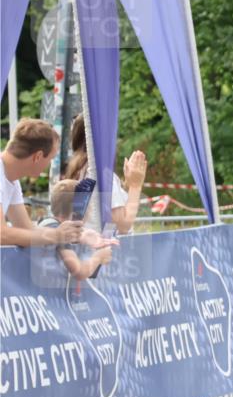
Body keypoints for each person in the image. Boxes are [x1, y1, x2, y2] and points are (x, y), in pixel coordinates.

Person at [1, 118, 82, 247]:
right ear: (37, 156)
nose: (49, 165)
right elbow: (2, 234)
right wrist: (56, 235)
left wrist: (79, 235)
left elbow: (26, 230)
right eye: (51, 158)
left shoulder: (11, 178)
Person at [64, 114, 148, 234]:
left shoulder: (80, 170)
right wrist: (136, 185)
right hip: (105, 250)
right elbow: (122, 226)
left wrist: (127, 185)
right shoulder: (102, 175)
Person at [39, 179, 117, 279]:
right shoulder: (56, 229)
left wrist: (83, 238)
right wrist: (99, 257)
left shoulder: (51, 225)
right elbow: (79, 272)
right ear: (79, 210)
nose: (91, 210)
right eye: (89, 206)